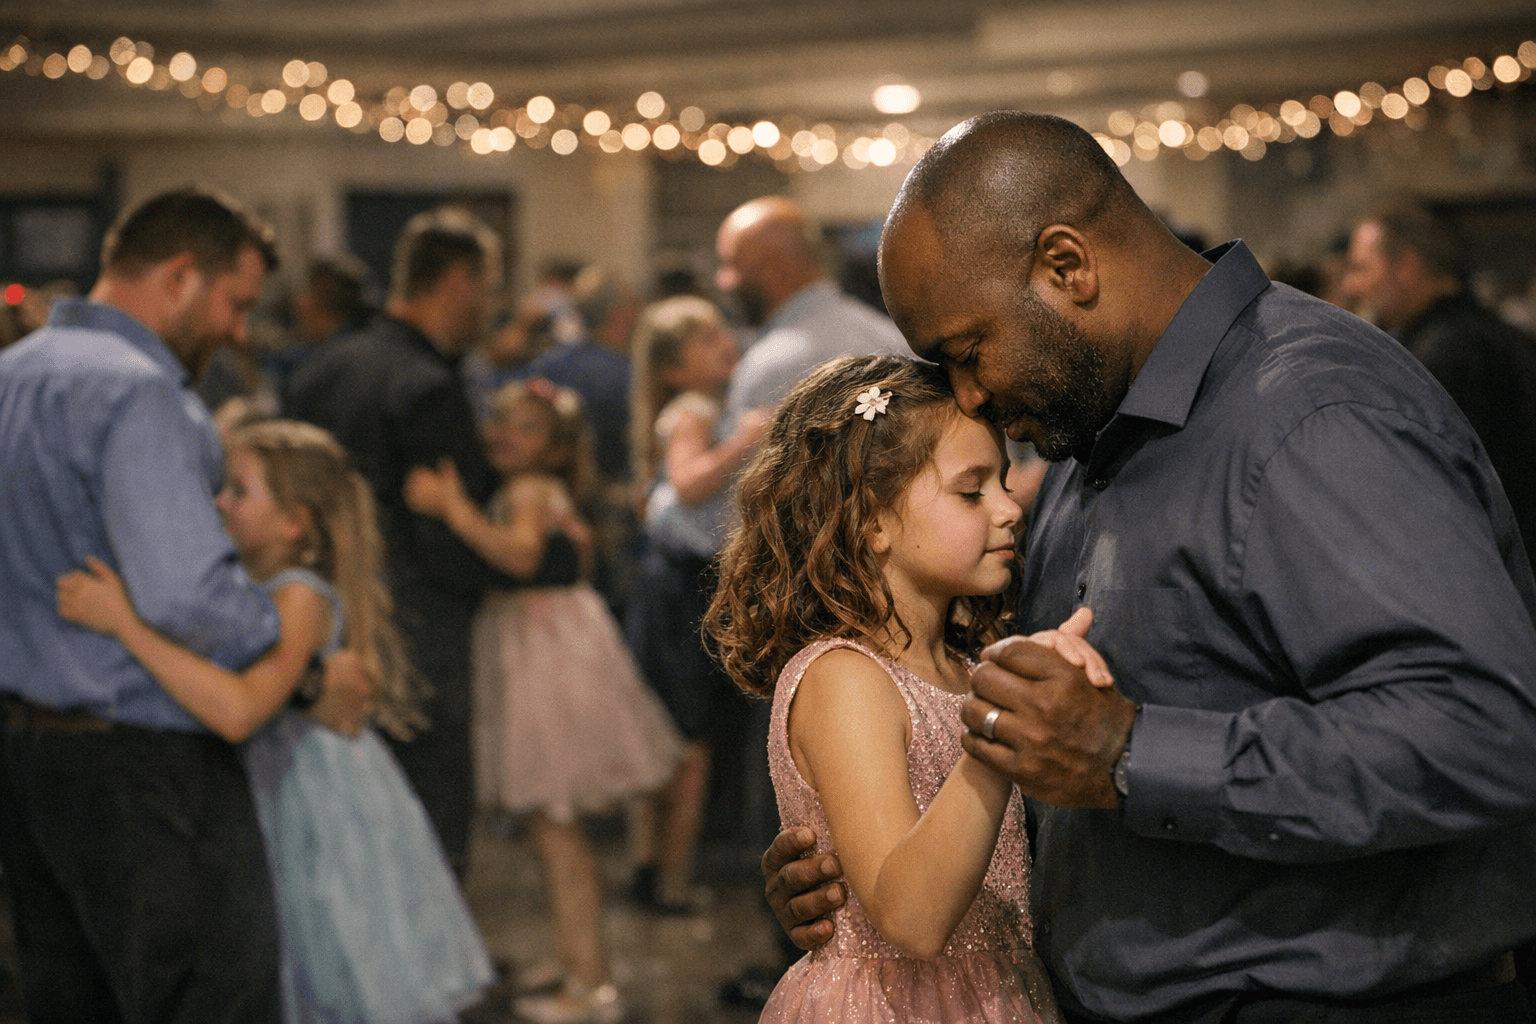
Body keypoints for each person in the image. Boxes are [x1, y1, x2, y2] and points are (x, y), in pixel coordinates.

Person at [763, 111, 1536, 1023]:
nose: (966, 394)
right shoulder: (1100, 433)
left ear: (1067, 267)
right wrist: (867, 873)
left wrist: (1134, 754)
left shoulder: (1307, 415)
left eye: (970, 353)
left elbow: (1486, 729)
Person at [57, 419, 495, 1024]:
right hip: (279, 787)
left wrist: (125, 626)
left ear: (295, 522)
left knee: (317, 959)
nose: (219, 502)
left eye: (239, 490)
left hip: (306, 803)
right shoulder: (249, 586)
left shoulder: (298, 595)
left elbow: (239, 705)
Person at [706, 354, 1087, 1022]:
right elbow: (911, 919)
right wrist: (1005, 725)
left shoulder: (968, 668)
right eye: (972, 491)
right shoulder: (846, 679)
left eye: (1003, 481)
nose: (1009, 509)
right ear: (871, 520)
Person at [0, 187, 291, 1022]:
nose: (237, 330)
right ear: (178, 276)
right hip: (142, 766)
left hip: (25, 756)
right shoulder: (138, 392)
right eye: (234, 303)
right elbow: (185, 598)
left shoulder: (10, 376)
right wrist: (295, 644)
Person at [287, 207, 580, 872]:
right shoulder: (426, 385)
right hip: (419, 629)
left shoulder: (323, 368)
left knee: (343, 817)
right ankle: (434, 968)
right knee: (427, 817)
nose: (493, 304)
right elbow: (445, 542)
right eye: (490, 285)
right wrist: (556, 560)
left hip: (322, 616)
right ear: (458, 282)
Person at [406, 379, 682, 1024]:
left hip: (545, 658)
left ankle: (590, 985)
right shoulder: (536, 488)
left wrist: (453, 510)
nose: (505, 435)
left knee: (557, 831)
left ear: (557, 449)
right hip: (543, 646)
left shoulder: (529, 490)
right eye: (500, 421)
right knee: (550, 828)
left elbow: (522, 554)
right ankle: (571, 959)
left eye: (526, 428)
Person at [625, 295, 768, 913]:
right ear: (675, 370)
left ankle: (652, 868)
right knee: (690, 740)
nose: (725, 343)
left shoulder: (691, 406)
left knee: (673, 735)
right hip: (682, 585)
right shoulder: (694, 410)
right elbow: (688, 484)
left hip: (673, 580)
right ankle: (672, 879)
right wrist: (745, 439)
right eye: (706, 339)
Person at [1339, 204, 1536, 549]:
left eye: (1362, 268)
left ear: (1408, 267)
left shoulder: (1440, 356)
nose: (1351, 286)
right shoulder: (1492, 332)